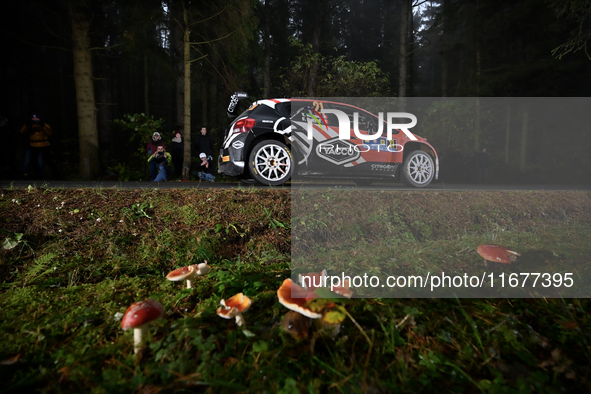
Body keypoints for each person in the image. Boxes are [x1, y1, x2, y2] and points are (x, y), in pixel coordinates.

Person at [19, 114, 60, 179]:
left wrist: (43, 126)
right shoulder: (30, 126)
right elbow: (22, 132)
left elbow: (50, 133)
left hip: (45, 145)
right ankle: (38, 175)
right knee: (34, 161)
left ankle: (57, 175)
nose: (35, 120)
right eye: (33, 119)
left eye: (36, 119)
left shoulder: (45, 125)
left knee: (48, 160)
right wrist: (26, 125)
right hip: (33, 145)